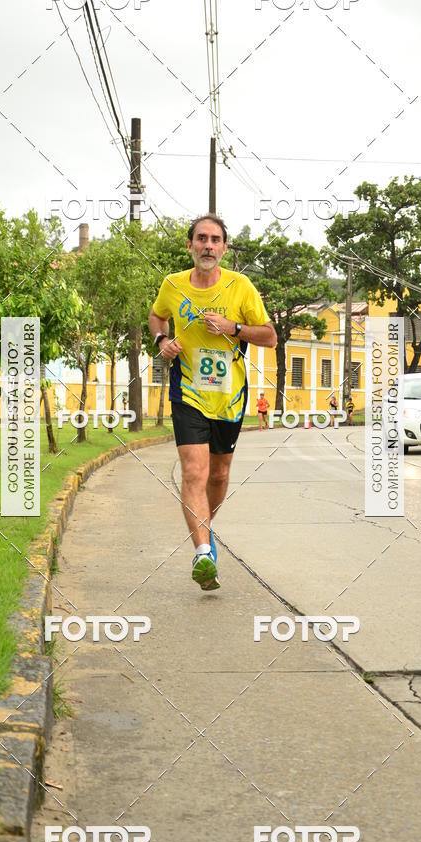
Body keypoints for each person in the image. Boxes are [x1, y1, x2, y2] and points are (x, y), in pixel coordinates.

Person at [148, 215, 277, 591]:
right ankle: (203, 551)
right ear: (189, 245)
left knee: (219, 475)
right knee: (194, 472)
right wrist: (161, 342)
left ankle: (205, 531)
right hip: (187, 393)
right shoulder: (172, 285)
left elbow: (269, 336)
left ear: (223, 248)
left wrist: (232, 327)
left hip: (229, 397)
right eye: (201, 238)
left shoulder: (241, 288)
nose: (207, 245)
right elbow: (157, 317)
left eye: (215, 240)